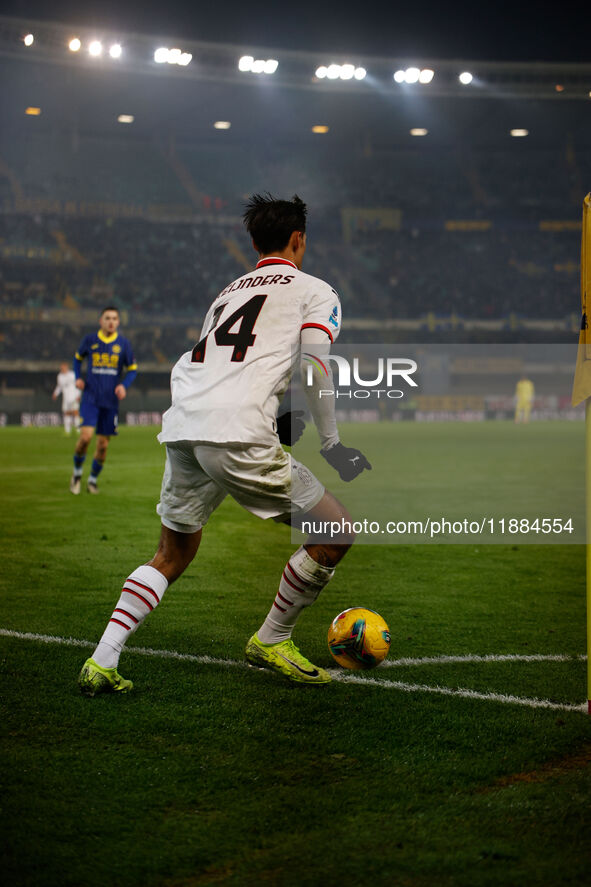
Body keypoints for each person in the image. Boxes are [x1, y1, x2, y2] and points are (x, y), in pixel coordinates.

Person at [78, 194, 371, 696]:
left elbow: (226, 364)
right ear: (299, 239)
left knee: (171, 552)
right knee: (336, 530)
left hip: (185, 424)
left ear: (254, 242)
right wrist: (331, 443)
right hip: (235, 431)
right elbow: (316, 366)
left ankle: (101, 660)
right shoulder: (316, 291)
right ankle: (271, 639)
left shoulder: (227, 293)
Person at [69, 307, 137, 495]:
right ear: (101, 321)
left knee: (103, 445)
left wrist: (124, 385)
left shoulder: (123, 344)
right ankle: (76, 475)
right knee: (85, 438)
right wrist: (78, 377)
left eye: (114, 318)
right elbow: (77, 360)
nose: (111, 321)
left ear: (118, 322)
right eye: (107, 318)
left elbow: (132, 369)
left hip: (110, 401)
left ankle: (92, 480)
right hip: (90, 398)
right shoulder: (90, 340)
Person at [52, 361, 80, 434]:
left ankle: (78, 430)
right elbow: (59, 386)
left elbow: (77, 385)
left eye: (64, 367)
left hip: (74, 396)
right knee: (67, 413)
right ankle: (67, 431)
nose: (62, 368)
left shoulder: (72, 374)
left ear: (67, 367)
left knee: (76, 412)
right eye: (61, 367)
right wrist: (55, 393)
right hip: (66, 397)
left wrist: (78, 395)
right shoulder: (59, 376)